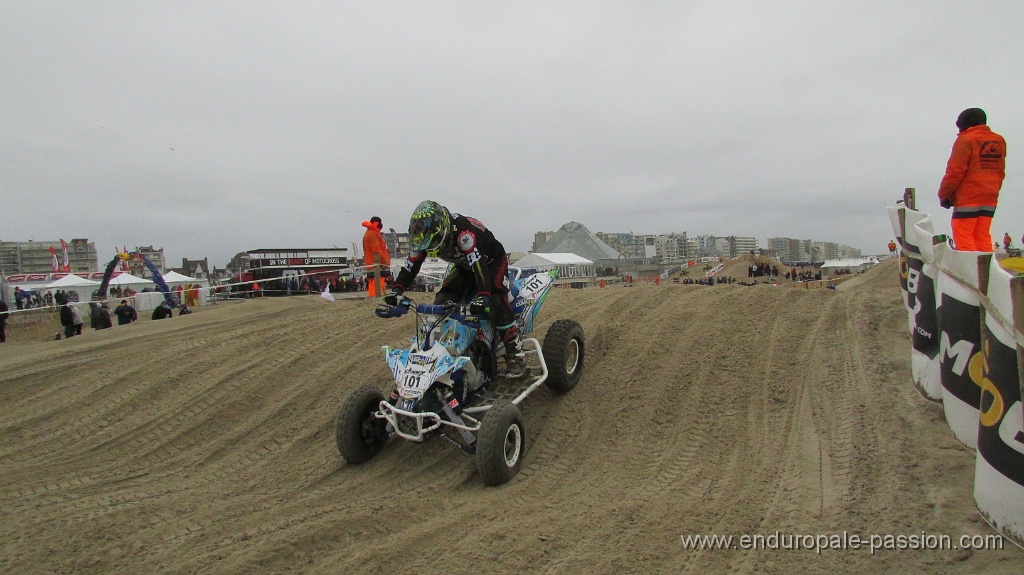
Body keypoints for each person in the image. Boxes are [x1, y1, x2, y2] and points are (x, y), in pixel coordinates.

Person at [383, 200, 523, 375]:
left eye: (432, 241)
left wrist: (483, 295)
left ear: (442, 230)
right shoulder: (426, 237)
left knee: (495, 300)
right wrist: (397, 290)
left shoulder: (464, 234)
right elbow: (411, 265)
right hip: (463, 266)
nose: (428, 247)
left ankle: (515, 354)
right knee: (443, 300)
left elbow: (479, 266)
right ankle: (438, 351)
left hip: (491, 262)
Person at [937, 108, 1006, 252]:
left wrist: (945, 194)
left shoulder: (966, 139)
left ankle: (971, 272)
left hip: (968, 196)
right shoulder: (998, 140)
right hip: (990, 196)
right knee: (982, 236)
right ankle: (986, 271)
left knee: (964, 235)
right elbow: (1000, 171)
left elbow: (955, 171)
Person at [362, 216, 391, 298]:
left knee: (374, 284)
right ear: (376, 223)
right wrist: (384, 262)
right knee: (377, 284)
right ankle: (375, 298)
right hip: (377, 264)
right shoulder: (372, 234)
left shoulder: (369, 233)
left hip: (372, 263)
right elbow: (377, 250)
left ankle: (374, 297)